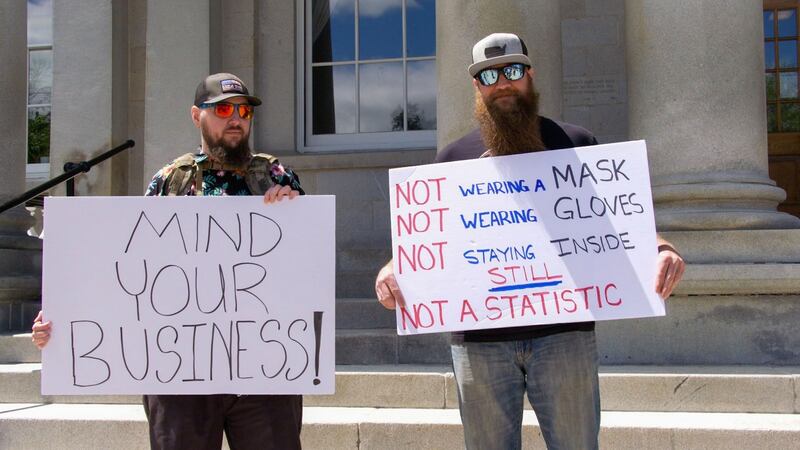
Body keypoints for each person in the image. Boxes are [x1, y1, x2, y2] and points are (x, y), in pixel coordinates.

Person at [374, 33, 685, 450]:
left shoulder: (577, 144)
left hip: (564, 335)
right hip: (479, 343)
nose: (502, 82)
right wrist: (393, 269)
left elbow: (622, 223)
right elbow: (428, 239)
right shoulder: (451, 160)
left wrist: (662, 248)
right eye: (489, 75)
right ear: (477, 86)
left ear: (531, 75)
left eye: (513, 70)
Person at [31, 73, 304, 450]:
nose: (236, 119)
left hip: (263, 371)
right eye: (223, 109)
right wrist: (64, 319)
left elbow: (304, 265)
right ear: (196, 116)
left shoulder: (275, 176)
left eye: (244, 111)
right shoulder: (170, 181)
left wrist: (293, 208)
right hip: (180, 375)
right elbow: (126, 269)